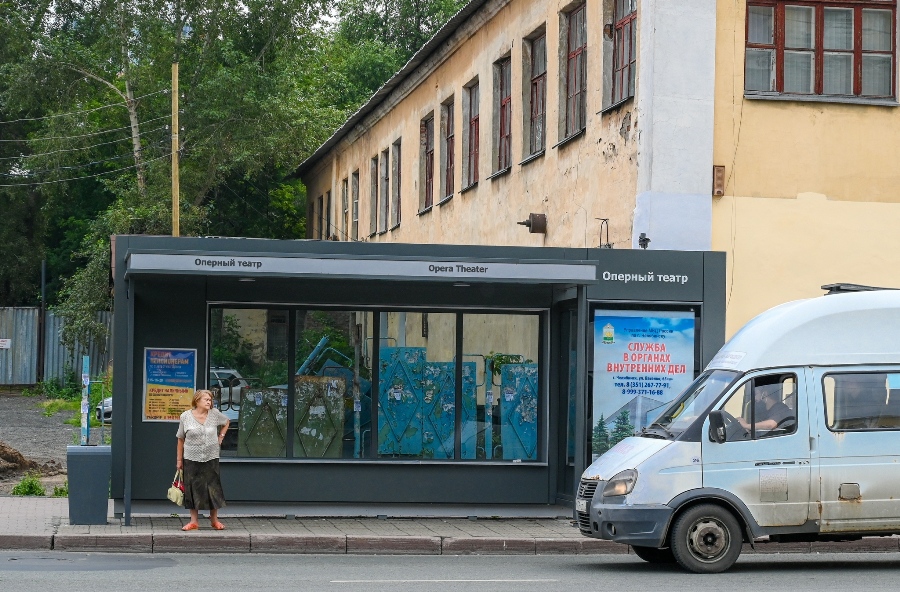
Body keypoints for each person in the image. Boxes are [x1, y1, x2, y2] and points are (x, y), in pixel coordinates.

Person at [176, 389, 230, 531]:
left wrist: (220, 437)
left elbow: (226, 422)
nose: (209, 402)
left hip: (211, 457)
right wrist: (179, 461)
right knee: (192, 488)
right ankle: (194, 521)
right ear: (197, 401)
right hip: (191, 458)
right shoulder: (185, 416)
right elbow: (180, 439)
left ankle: (214, 520)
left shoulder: (214, 414)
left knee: (213, 488)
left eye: (210, 400)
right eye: (206, 399)